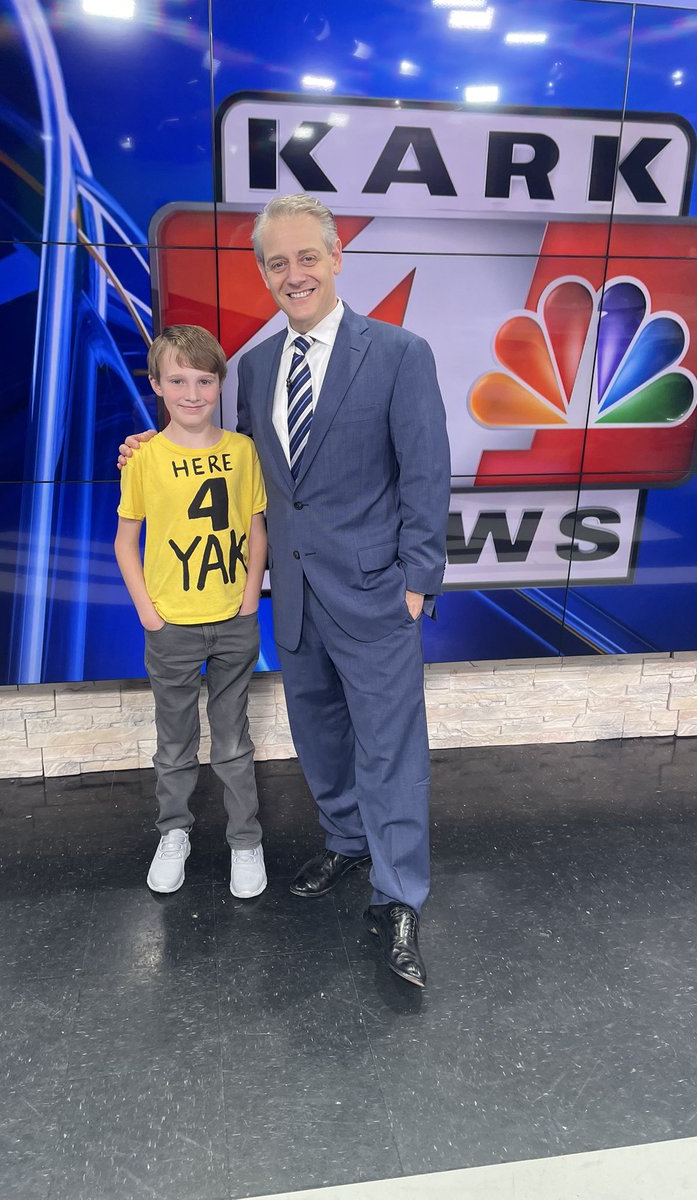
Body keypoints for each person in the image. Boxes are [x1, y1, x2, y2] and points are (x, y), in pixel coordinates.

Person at [120, 195, 450, 986]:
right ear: (264, 274)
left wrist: (416, 587)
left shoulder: (401, 353)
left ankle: (398, 894)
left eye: (307, 257)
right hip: (293, 597)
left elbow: (426, 476)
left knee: (390, 749)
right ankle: (344, 842)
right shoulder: (259, 365)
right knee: (323, 735)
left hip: (376, 596)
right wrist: (150, 445)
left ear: (337, 258)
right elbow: (235, 466)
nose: (293, 274)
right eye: (277, 262)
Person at [114, 324, 268, 899]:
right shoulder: (144, 458)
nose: (193, 392)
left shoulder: (242, 451)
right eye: (178, 380)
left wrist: (249, 600)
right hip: (171, 627)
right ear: (157, 385)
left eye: (204, 379)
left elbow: (256, 529)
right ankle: (173, 832)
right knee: (174, 742)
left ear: (219, 383)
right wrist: (149, 614)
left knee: (233, 741)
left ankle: (245, 841)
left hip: (233, 621)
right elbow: (126, 540)